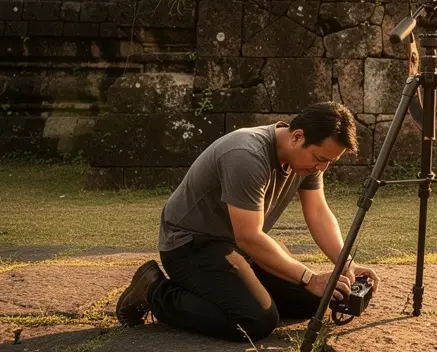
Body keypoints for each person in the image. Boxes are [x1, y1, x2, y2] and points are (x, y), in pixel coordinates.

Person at [115, 101, 380, 342]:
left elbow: (318, 212)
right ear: (298, 137)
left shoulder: (307, 160)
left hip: (237, 248)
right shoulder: (247, 154)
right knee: (256, 321)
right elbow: (249, 236)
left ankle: (242, 291)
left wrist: (346, 265)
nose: (321, 168)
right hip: (190, 245)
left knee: (319, 300)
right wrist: (309, 277)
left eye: (329, 163)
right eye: (321, 159)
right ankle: (154, 290)